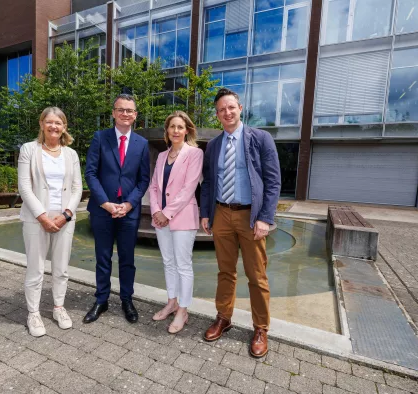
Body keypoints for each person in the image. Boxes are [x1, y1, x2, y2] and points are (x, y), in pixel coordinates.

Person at [200, 88, 281, 358]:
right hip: (221, 214)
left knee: (256, 275)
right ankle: (224, 317)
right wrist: (205, 213)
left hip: (251, 216)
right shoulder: (213, 145)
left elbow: (273, 181)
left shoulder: (260, 138)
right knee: (225, 271)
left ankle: (260, 328)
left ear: (240, 108)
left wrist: (265, 218)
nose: (227, 112)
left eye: (231, 107)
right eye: (222, 109)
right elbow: (209, 182)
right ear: (217, 114)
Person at [83, 94, 150, 324]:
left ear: (135, 115)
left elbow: (143, 180)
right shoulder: (100, 138)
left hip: (129, 212)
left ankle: (126, 300)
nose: (125, 114)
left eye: (129, 110)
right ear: (113, 113)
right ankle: (101, 299)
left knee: (127, 258)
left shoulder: (142, 144)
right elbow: (90, 173)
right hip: (102, 210)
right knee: (102, 257)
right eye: (120, 109)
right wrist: (105, 202)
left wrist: (129, 204)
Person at [17, 107, 83, 337]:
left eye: (59, 123)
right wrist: (42, 217)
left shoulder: (71, 154)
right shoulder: (29, 150)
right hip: (37, 218)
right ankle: (33, 313)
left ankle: (58, 307)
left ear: (64, 127)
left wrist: (66, 215)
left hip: (64, 218)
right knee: (35, 269)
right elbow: (24, 187)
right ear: (42, 123)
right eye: (50, 122)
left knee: (61, 269)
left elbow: (77, 188)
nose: (54, 126)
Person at [149, 111, 203, 334]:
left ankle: (183, 309)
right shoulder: (162, 156)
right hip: (160, 219)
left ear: (187, 130)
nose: (176, 131)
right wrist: (155, 211)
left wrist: (166, 213)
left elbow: (188, 188)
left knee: (183, 265)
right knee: (168, 262)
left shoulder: (195, 154)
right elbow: (153, 187)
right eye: (172, 127)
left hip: (182, 217)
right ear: (167, 130)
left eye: (180, 127)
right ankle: (171, 302)